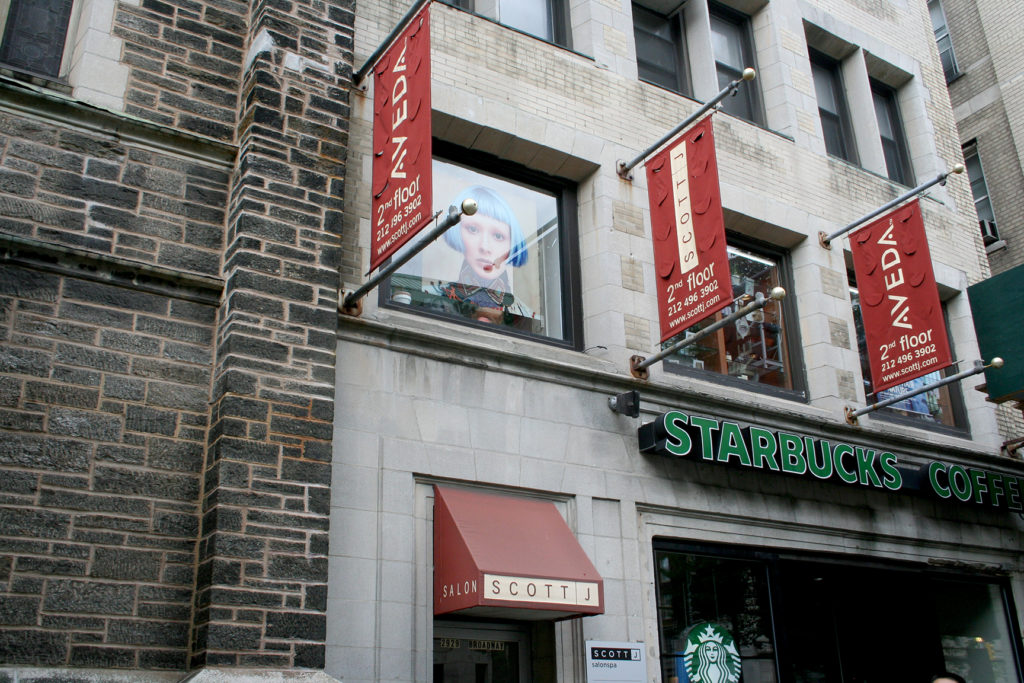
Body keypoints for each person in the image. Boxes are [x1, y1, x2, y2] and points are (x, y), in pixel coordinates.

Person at [437, 185, 533, 326]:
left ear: (511, 245)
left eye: (498, 236)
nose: (485, 247)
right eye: (473, 229)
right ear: (458, 233)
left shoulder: (524, 313)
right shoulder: (436, 296)